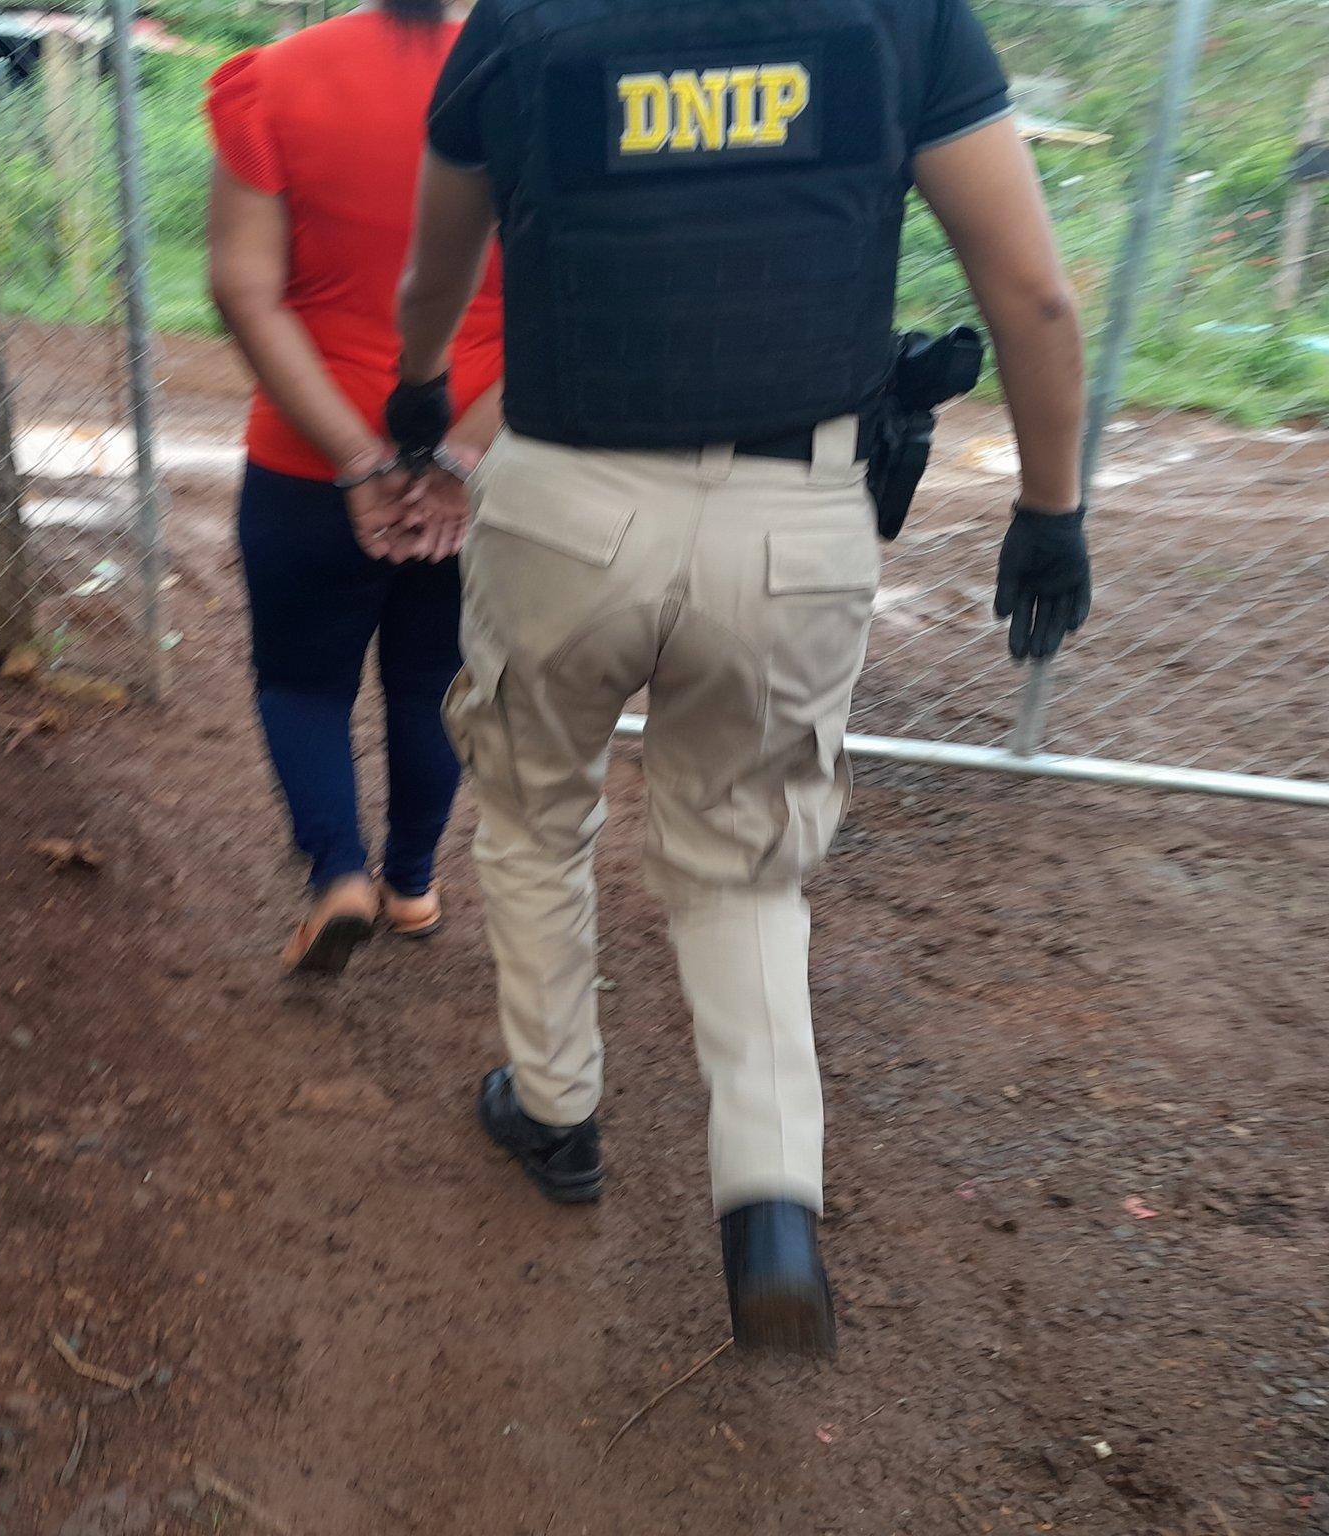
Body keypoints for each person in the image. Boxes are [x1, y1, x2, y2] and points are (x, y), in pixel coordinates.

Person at [376, 0, 1091, 1351]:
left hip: (563, 505)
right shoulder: (902, 16)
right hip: (792, 518)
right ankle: (768, 1203)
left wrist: (419, 390)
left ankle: (557, 1110)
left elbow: (435, 276)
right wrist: (1049, 508)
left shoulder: (519, 19)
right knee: (745, 862)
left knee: (532, 811)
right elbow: (1034, 292)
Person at [205, 0, 505, 975]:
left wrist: (354, 456)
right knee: (433, 681)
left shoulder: (275, 81)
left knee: (300, 680)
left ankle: (338, 874)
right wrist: (459, 456)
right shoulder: (539, 74)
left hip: (306, 459)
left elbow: (241, 287)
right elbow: (571, 303)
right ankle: (410, 883)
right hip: (482, 462)